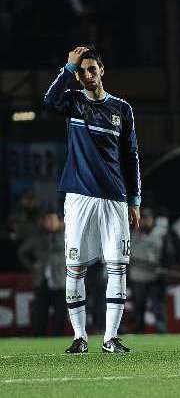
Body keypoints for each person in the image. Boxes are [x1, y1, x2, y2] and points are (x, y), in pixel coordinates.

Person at [43, 45, 141, 353]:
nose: (87, 75)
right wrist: (67, 68)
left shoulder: (122, 109)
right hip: (79, 197)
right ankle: (80, 337)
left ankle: (110, 337)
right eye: (82, 70)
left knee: (117, 267)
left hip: (115, 198)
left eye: (91, 69)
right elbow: (49, 102)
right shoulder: (73, 101)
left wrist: (135, 200)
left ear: (101, 70)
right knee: (75, 268)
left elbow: (131, 157)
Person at [18, 210, 66, 336]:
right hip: (41, 280)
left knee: (60, 313)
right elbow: (22, 252)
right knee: (40, 313)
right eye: (47, 220)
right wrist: (32, 266)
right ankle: (39, 338)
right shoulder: (37, 236)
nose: (50, 223)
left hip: (61, 281)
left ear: (59, 222)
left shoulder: (66, 235)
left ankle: (59, 338)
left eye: (53, 220)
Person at [129, 207, 172, 334]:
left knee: (158, 308)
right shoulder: (131, 233)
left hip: (156, 277)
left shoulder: (161, 234)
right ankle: (139, 333)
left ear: (153, 219)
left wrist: (165, 268)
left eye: (147, 218)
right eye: (142, 218)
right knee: (138, 308)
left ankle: (162, 333)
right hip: (137, 277)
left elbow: (169, 253)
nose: (144, 221)